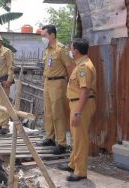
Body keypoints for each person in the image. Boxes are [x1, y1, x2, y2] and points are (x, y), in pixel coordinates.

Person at [58, 38, 96, 181]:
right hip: (77, 103)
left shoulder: (83, 67)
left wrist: (77, 112)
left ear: (77, 51)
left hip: (81, 105)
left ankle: (80, 171)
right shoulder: (80, 64)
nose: (70, 50)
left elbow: (85, 91)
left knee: (80, 139)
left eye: (71, 48)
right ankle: (73, 164)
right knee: (75, 137)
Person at [37, 25, 75, 154]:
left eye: (44, 36)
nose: (43, 38)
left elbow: (70, 67)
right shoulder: (48, 49)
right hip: (47, 82)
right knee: (48, 112)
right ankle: (50, 137)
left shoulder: (61, 49)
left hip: (58, 83)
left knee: (58, 113)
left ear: (52, 35)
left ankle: (62, 143)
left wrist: (71, 85)